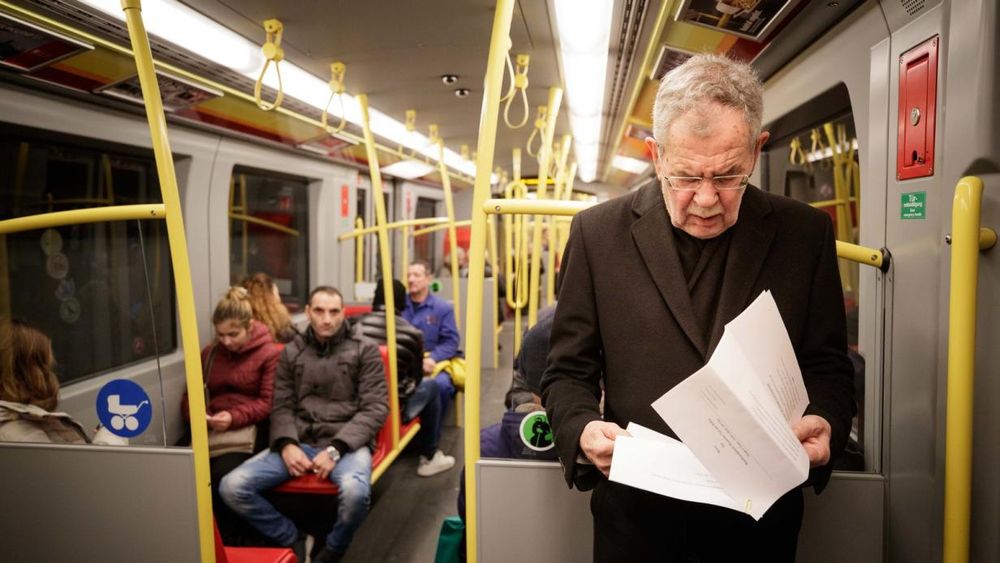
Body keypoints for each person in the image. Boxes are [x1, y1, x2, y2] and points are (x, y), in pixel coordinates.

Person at [541, 54, 856, 562]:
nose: (707, 199)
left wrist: (826, 423)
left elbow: (827, 366)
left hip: (759, 524)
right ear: (656, 154)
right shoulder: (598, 235)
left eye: (729, 176)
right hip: (637, 521)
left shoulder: (805, 235)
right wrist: (580, 427)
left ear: (757, 150)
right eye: (686, 176)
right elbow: (566, 371)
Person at [220, 286, 387, 563]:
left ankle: (333, 550)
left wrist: (336, 449)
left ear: (343, 314)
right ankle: (293, 537)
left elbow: (375, 408)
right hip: (300, 439)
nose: (327, 319)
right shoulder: (291, 352)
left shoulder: (364, 351)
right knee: (232, 486)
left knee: (356, 494)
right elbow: (281, 405)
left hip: (346, 442)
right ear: (308, 312)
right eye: (319, 311)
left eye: (334, 312)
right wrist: (286, 444)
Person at [179, 287, 279, 545]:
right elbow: (191, 393)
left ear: (250, 326)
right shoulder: (210, 354)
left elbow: (267, 403)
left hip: (250, 429)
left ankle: (230, 541)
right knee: (186, 473)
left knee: (221, 475)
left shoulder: (270, 354)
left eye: (233, 334)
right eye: (221, 335)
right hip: (212, 428)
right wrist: (197, 414)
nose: (227, 342)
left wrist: (233, 417)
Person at [352, 279, 455, 477]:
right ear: (402, 303)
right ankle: (429, 455)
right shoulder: (411, 334)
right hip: (392, 406)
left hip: (355, 401)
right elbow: (415, 380)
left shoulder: (353, 326)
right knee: (432, 386)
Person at [0, 319, 122, 445]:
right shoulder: (19, 436)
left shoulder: (16, 425)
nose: (51, 375)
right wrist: (110, 439)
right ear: (28, 374)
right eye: (47, 367)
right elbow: (84, 465)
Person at [402, 260, 461, 422]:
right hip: (403, 363)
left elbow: (451, 341)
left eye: (416, 275)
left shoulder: (442, 308)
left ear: (428, 279)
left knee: (442, 386)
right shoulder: (398, 306)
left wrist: (433, 358)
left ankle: (431, 437)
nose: (411, 279)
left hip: (431, 362)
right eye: (408, 275)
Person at [242, 272, 298, 344]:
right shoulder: (284, 330)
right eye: (277, 294)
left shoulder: (239, 329)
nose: (280, 299)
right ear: (272, 298)